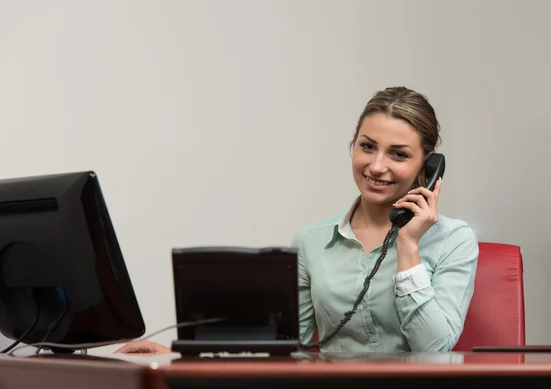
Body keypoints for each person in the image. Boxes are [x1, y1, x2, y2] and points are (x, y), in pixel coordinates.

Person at [114, 86, 478, 355]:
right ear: (352, 144)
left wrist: (408, 245)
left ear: (427, 166)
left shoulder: (455, 240)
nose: (377, 166)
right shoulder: (311, 242)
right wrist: (179, 356)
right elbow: (290, 351)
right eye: (367, 146)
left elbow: (435, 348)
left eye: (398, 154)